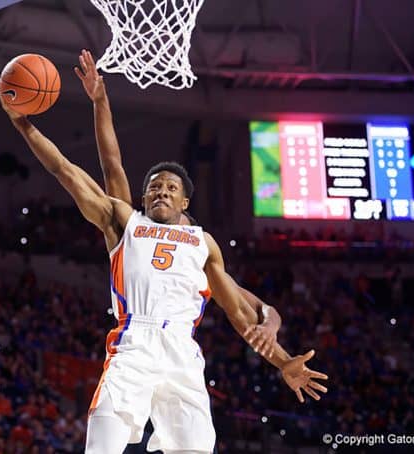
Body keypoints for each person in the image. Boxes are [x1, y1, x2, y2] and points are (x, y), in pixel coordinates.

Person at [0, 61, 323, 454]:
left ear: (185, 200)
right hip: (134, 341)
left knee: (196, 449)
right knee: (102, 443)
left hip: (181, 351)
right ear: (145, 197)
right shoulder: (125, 222)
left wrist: (283, 360)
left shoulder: (202, 243)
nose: (161, 192)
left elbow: (242, 313)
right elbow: (74, 168)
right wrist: (30, 121)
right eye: (154, 187)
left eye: (170, 187)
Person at [75, 47, 328, 404]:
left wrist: (271, 331)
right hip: (134, 348)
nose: (177, 230)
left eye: (183, 225)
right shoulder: (134, 229)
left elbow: (260, 311)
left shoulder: (200, 259)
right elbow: (111, 164)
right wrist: (100, 101)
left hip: (176, 358)